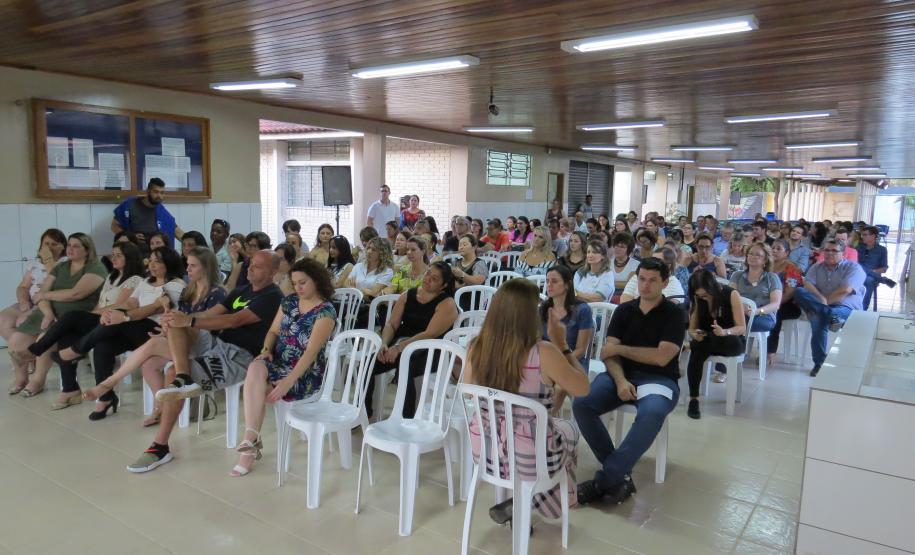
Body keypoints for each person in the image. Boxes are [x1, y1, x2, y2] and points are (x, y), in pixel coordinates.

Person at [127, 250, 283, 473]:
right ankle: (184, 377)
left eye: (257, 266)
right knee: (175, 324)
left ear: (273, 272)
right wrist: (178, 318)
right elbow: (211, 313)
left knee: (170, 371)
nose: (250, 268)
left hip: (238, 357)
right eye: (250, 264)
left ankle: (159, 446)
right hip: (216, 344)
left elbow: (233, 320)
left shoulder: (272, 296)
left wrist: (189, 320)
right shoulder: (242, 290)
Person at [465, 278, 589, 524]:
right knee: (570, 430)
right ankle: (551, 500)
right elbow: (583, 388)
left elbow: (468, 392)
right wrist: (563, 345)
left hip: (486, 451)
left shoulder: (476, 347)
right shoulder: (544, 351)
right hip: (530, 457)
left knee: (545, 433)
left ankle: (521, 501)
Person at [573, 257, 685, 504]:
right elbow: (607, 354)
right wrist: (622, 381)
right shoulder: (625, 310)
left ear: (665, 283)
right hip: (620, 374)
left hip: (660, 379)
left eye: (652, 281)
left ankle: (606, 478)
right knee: (582, 403)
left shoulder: (674, 314)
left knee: (652, 412)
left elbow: (661, 357)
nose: (645, 286)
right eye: (641, 279)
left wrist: (622, 350)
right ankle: (619, 474)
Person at [81, 248, 227, 424]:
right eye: (187, 265)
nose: (188, 269)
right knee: (148, 365)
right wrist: (166, 325)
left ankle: (107, 384)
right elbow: (178, 317)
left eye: (193, 266)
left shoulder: (217, 293)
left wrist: (174, 322)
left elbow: (209, 323)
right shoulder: (189, 291)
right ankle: (160, 408)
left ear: (206, 267)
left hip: (206, 344)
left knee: (152, 342)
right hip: (185, 340)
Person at [230, 258, 336, 476]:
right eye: (294, 283)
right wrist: (266, 350)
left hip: (305, 372)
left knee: (257, 389)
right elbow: (273, 332)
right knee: (256, 367)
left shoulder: (325, 312)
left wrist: (288, 382)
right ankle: (250, 439)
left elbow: (310, 354)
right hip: (278, 362)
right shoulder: (289, 302)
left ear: (316, 281)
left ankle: (248, 449)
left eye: (303, 282)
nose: (298, 288)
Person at [53, 247, 186, 420]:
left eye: (158, 261)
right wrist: (113, 313)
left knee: (120, 322)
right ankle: (105, 398)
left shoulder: (175, 285)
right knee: (103, 346)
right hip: (136, 328)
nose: (152, 265)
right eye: (150, 260)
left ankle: (77, 349)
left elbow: (148, 310)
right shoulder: (145, 282)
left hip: (157, 331)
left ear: (169, 263)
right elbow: (131, 303)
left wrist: (123, 316)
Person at [24, 241, 144, 409]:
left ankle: (37, 349)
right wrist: (92, 314)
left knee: (72, 316)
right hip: (101, 318)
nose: (113, 258)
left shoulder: (135, 280)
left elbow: (121, 306)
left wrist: (90, 315)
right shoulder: (112, 276)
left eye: (118, 255)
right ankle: (69, 388)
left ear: (130, 258)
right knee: (68, 333)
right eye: (113, 254)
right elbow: (100, 304)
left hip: (114, 322)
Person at [7, 233, 108, 397]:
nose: (70, 249)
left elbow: (76, 294)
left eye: (76, 246)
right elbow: (40, 294)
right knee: (15, 341)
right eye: (69, 245)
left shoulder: (96, 268)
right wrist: (47, 313)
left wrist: (46, 296)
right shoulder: (60, 267)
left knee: (43, 340)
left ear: (87, 250)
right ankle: (21, 378)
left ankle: (37, 381)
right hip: (48, 313)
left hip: (73, 317)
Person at [364, 262, 459, 419]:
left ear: (444, 285)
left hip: (431, 350)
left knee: (404, 363)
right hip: (401, 344)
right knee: (369, 362)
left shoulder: (447, 303)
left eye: (434, 278)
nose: (428, 279)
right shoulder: (408, 294)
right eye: (428, 273)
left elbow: (429, 334)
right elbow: (392, 324)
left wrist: (399, 348)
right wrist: (385, 343)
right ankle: (364, 411)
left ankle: (405, 417)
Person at [793, 239, 866, 377]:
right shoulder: (817, 267)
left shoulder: (854, 268)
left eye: (834, 250)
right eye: (827, 250)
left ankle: (819, 364)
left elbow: (845, 290)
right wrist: (821, 299)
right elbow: (808, 284)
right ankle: (827, 315)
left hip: (844, 307)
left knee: (818, 319)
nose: (830, 253)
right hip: (825, 307)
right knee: (799, 292)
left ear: (843, 253)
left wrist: (822, 304)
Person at [684, 269, 747, 419]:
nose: (702, 298)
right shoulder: (698, 298)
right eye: (699, 296)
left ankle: (697, 344)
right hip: (707, 339)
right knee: (698, 348)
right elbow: (692, 328)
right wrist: (694, 334)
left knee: (700, 345)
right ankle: (694, 399)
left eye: (705, 295)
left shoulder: (731, 294)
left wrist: (725, 332)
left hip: (730, 339)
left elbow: (741, 327)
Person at [0, 228, 67, 344]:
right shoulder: (34, 264)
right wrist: (23, 301)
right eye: (46, 243)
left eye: (54, 244)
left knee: (23, 321)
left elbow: (58, 279)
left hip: (49, 303)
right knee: (3, 319)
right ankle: (21, 353)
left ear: (63, 247)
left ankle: (31, 353)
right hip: (31, 301)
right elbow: (23, 287)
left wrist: (48, 259)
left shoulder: (66, 262)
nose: (49, 247)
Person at [729, 242, 782, 347]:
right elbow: (730, 296)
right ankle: (732, 353)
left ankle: (737, 351)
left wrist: (756, 311)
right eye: (750, 253)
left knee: (735, 323)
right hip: (740, 312)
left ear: (765, 260)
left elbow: (775, 304)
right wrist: (741, 307)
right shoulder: (737, 275)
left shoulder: (771, 277)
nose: (753, 257)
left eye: (757, 254)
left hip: (763, 315)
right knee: (727, 321)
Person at [542, 266, 593, 370]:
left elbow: (580, 350)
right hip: (546, 362)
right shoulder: (542, 309)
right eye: (547, 281)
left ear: (567, 285)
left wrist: (557, 364)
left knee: (558, 386)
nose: (549, 285)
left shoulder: (582, 310)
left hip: (573, 362)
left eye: (554, 281)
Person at [111, 177, 184, 248]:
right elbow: (114, 226)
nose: (159, 196)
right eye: (156, 192)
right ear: (148, 191)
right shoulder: (130, 204)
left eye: (162, 193)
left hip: (155, 254)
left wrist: (190, 242)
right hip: (134, 252)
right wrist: (130, 237)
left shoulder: (160, 210)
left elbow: (175, 230)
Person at [766, 239, 804, 366]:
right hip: (767, 302)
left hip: (788, 304)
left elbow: (789, 293)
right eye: (773, 248)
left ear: (787, 252)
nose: (774, 251)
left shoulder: (791, 268)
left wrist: (774, 305)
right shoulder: (766, 265)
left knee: (774, 314)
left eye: (778, 249)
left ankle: (770, 352)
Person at [620, 247, 684, 303]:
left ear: (668, 265)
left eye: (657, 262)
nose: (652, 264)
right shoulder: (638, 276)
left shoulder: (674, 284)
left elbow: (665, 310)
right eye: (652, 260)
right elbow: (625, 298)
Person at [856, 225, 894, 310]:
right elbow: (854, 264)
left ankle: (863, 309)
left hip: (872, 276)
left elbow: (884, 268)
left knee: (868, 279)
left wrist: (872, 271)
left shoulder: (882, 250)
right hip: (857, 273)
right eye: (862, 235)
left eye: (865, 235)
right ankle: (884, 280)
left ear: (873, 236)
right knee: (860, 269)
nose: (862, 237)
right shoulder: (858, 248)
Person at [609, 232, 639, 304]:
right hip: (608, 295)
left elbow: (629, 284)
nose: (617, 249)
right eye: (616, 245)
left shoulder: (636, 264)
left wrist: (607, 282)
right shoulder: (607, 263)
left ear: (628, 249)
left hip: (627, 298)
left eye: (622, 247)